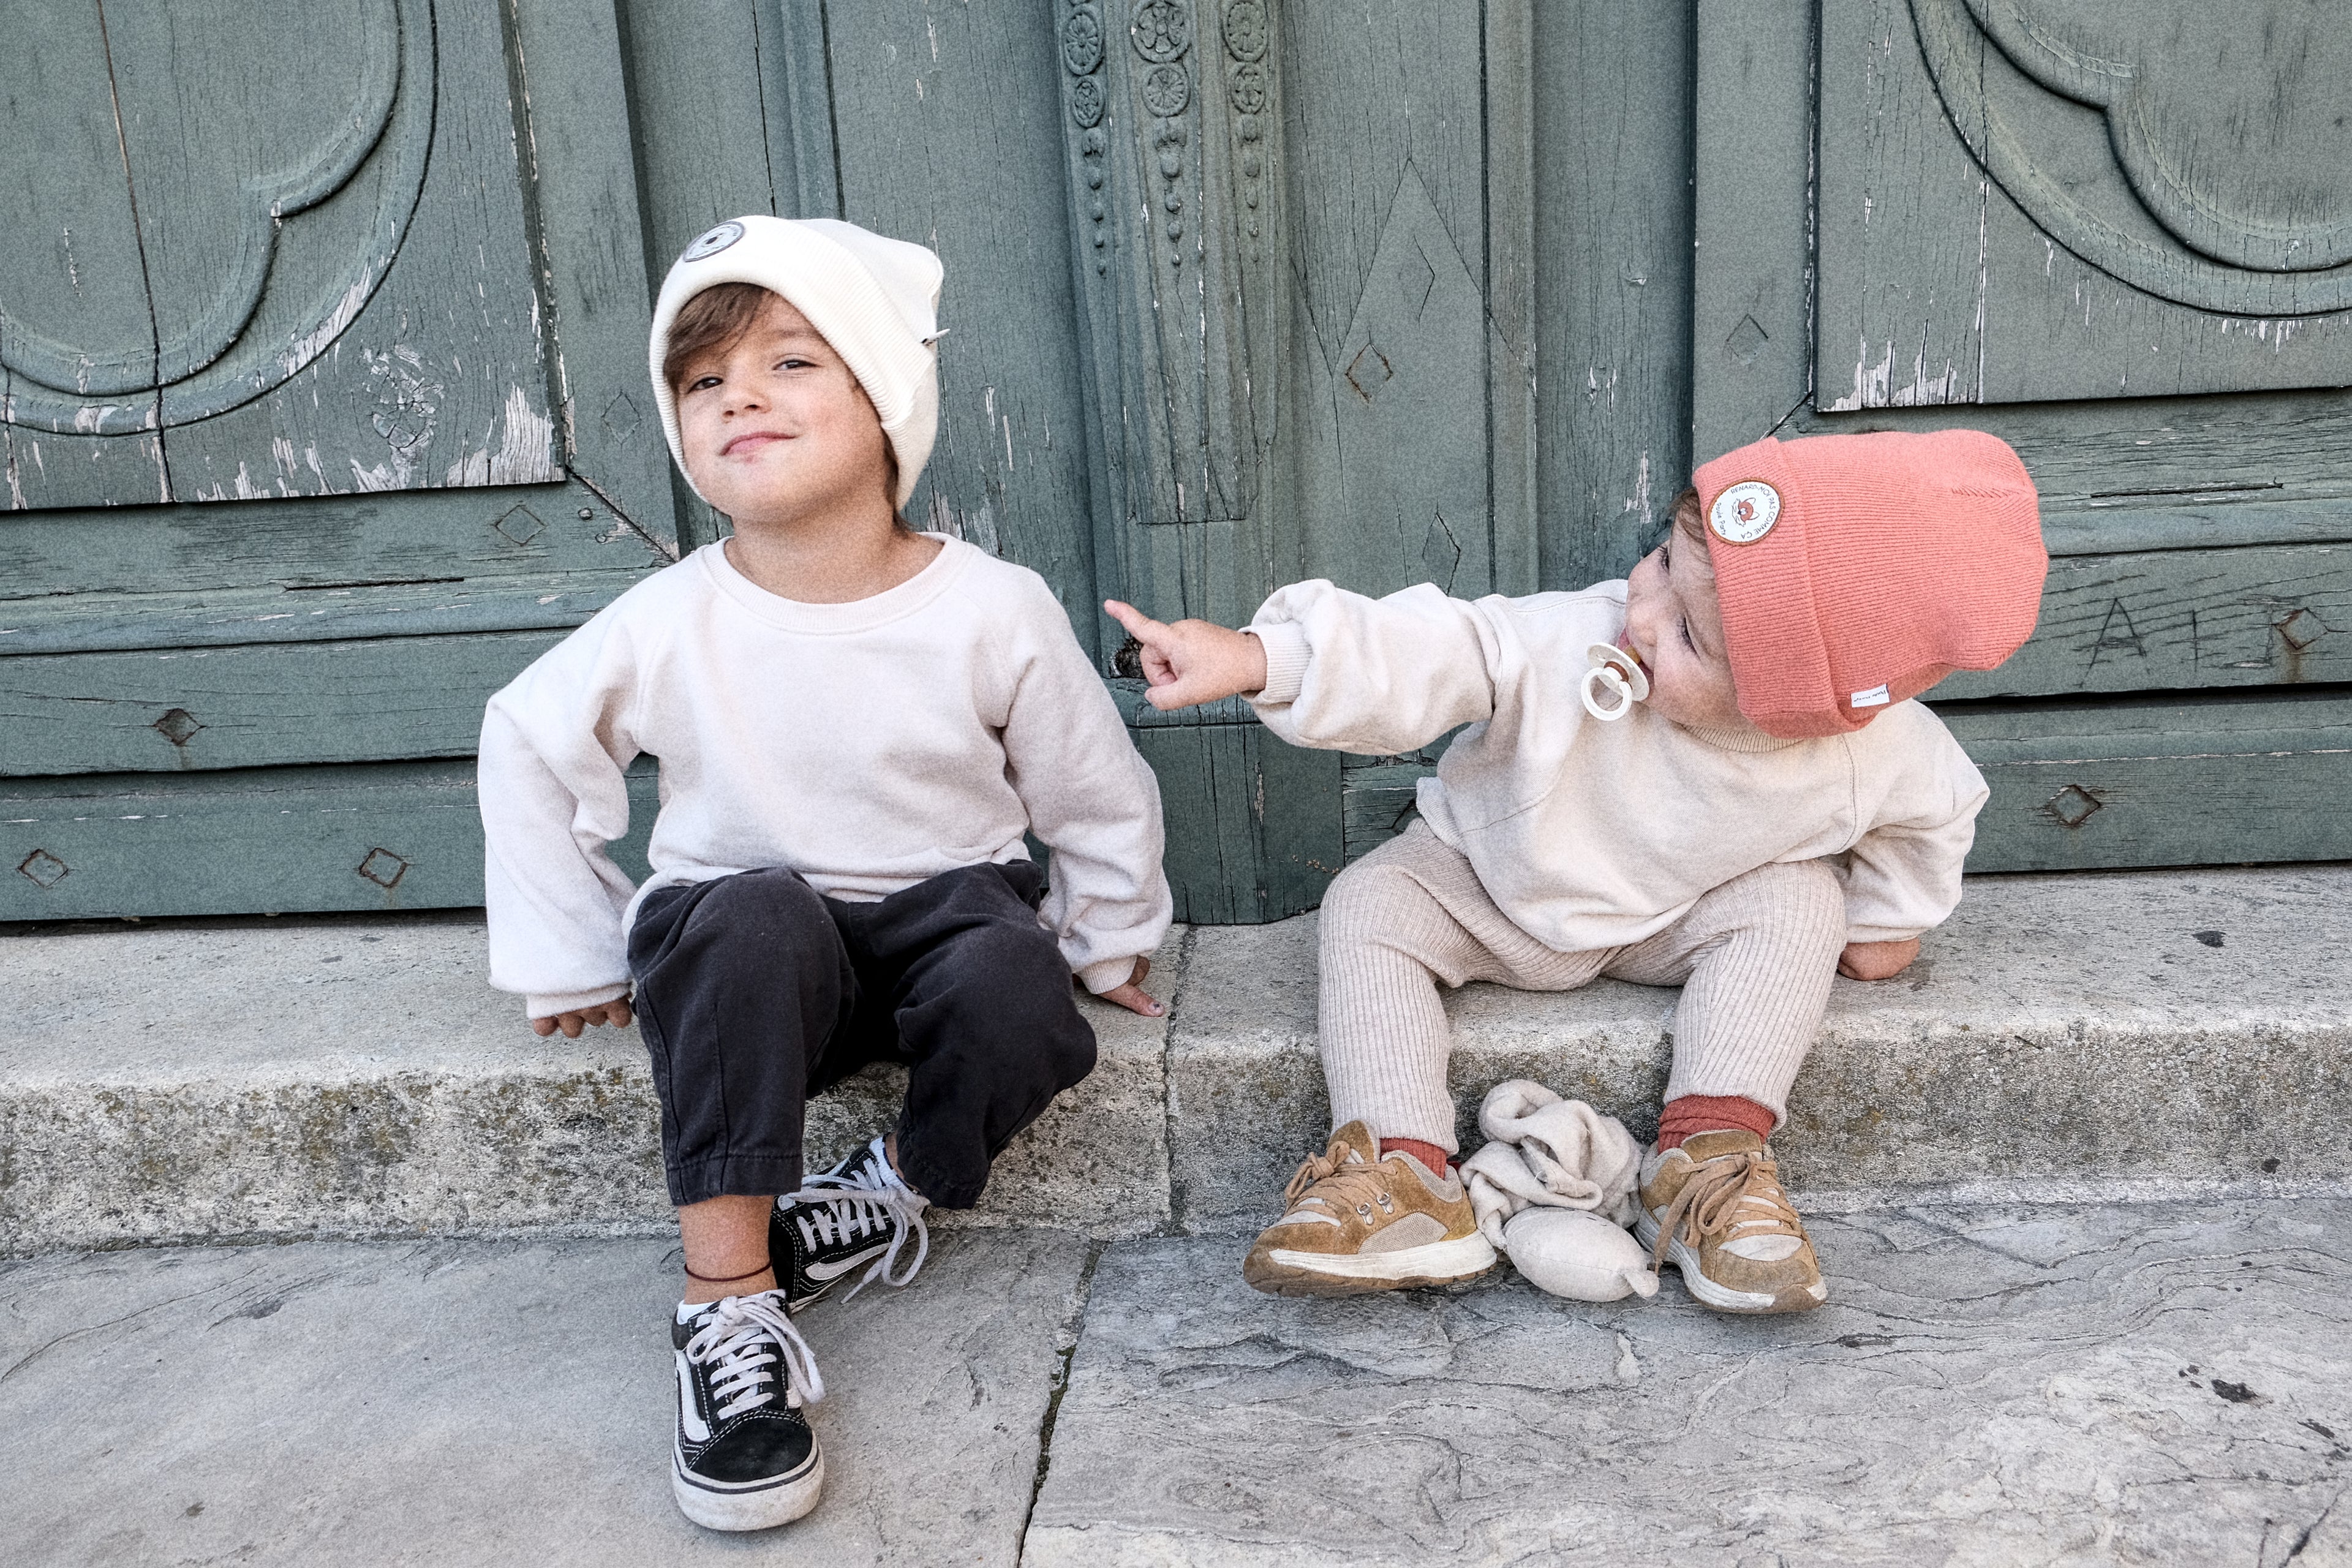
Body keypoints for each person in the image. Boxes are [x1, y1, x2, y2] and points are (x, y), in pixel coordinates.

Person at [478, 215, 1170, 1531]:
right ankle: (729, 1305)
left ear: (884, 404)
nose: (739, 392)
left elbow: (1090, 779)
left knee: (1022, 984)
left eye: (791, 362)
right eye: (702, 381)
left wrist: (1112, 930)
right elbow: (527, 730)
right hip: (752, 949)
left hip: (939, 912)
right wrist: (571, 948)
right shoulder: (674, 613)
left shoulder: (989, 604)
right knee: (741, 913)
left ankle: (889, 1185)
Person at [1105, 429, 2045, 1315]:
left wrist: (1887, 919)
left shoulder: (1872, 751)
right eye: (1666, 563)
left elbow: (1938, 808)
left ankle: (1709, 1164)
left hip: (1676, 917)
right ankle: (1403, 1172)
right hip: (1481, 882)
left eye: (1687, 638)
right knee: (1370, 902)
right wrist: (1260, 657)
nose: (1641, 613)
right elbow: (1438, 650)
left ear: (1794, 713)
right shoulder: (1573, 637)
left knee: (1802, 900)